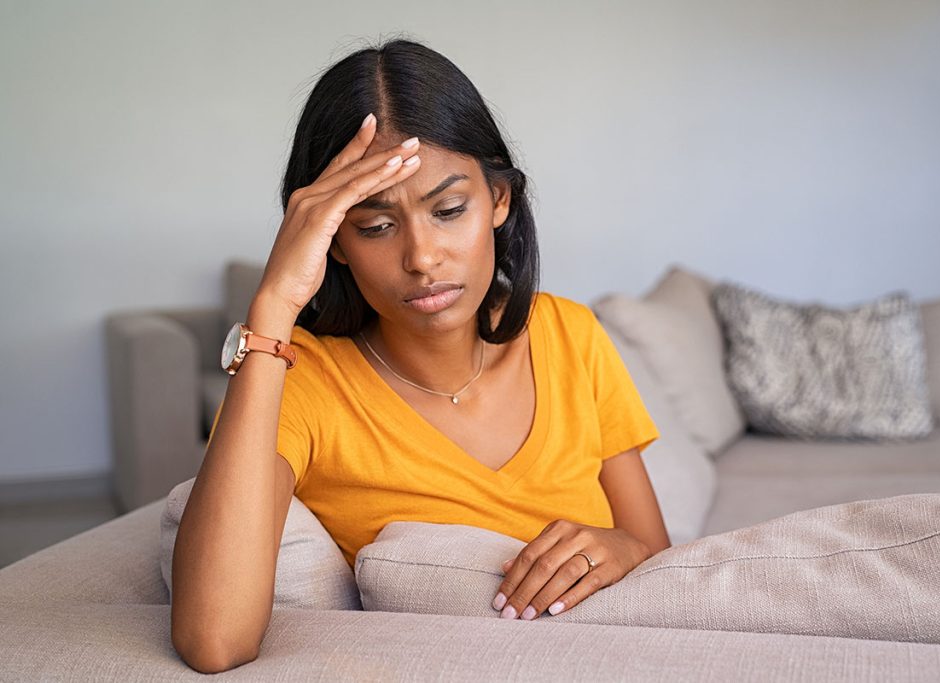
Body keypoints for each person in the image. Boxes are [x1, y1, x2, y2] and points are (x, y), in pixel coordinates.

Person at [170, 38, 670, 674]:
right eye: (374, 226)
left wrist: (621, 549)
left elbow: (659, 555)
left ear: (499, 200)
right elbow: (214, 640)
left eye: (449, 209)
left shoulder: (570, 333)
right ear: (333, 241)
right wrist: (272, 307)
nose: (421, 258)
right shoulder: (302, 380)